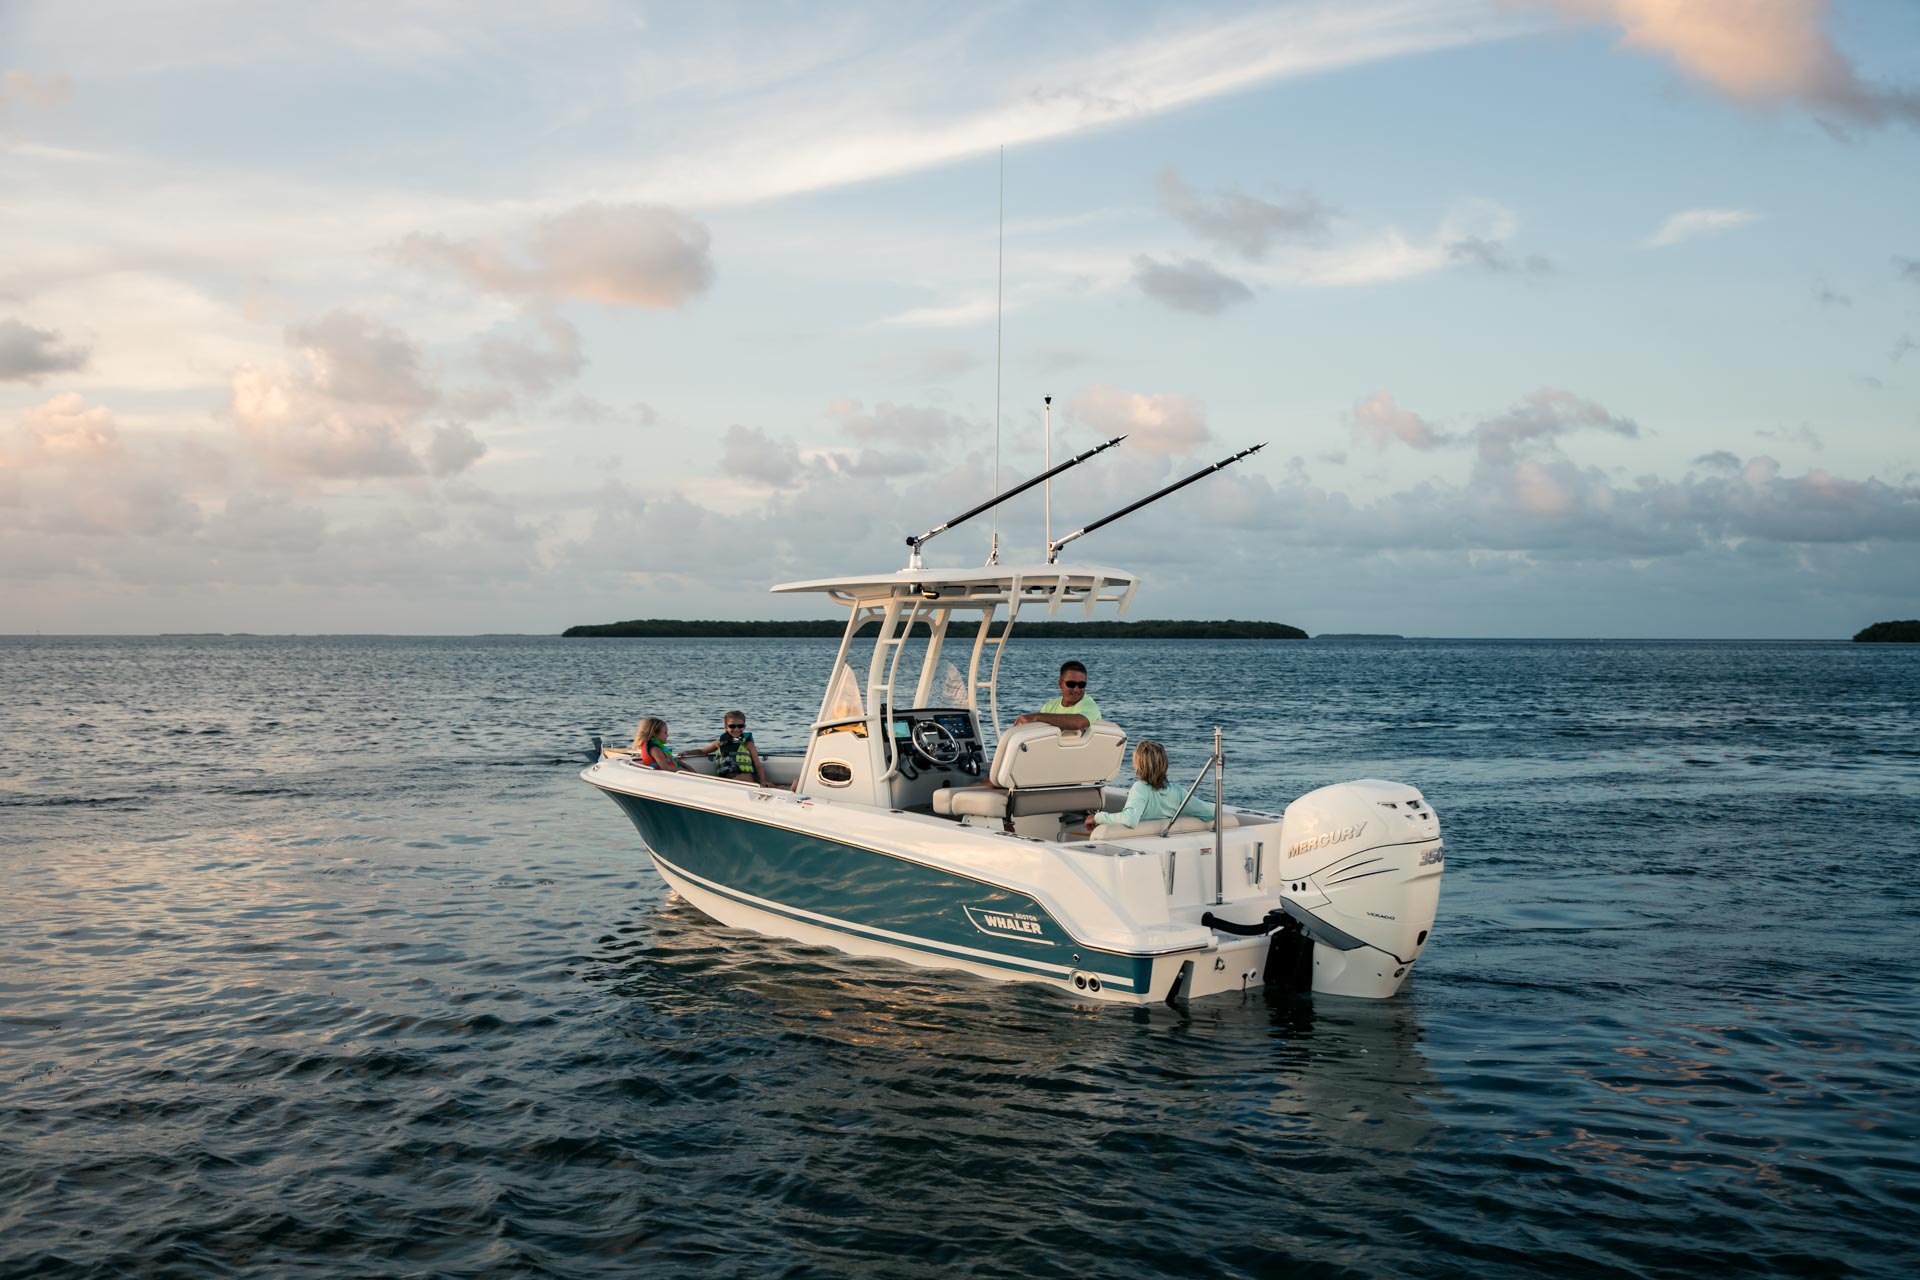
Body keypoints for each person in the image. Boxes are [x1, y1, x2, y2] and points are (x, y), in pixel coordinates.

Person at [1089, 739, 1214, 830]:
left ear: (1139, 766)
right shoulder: (1178, 792)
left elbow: (1130, 820)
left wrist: (1097, 817)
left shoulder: (1140, 788)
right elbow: (1210, 813)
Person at [685, 710, 769, 786]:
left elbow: (758, 765)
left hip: (745, 779)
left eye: (740, 726)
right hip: (726, 781)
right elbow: (702, 751)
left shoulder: (748, 744)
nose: (736, 729)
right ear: (726, 727)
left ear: (744, 727)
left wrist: (763, 780)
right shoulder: (719, 743)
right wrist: (687, 753)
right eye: (732, 726)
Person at [1013, 660, 1102, 732]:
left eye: (1081, 684)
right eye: (1071, 684)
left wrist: (1036, 717)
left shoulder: (1089, 706)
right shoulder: (1049, 706)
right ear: (1060, 684)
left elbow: (1078, 723)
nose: (1076, 689)